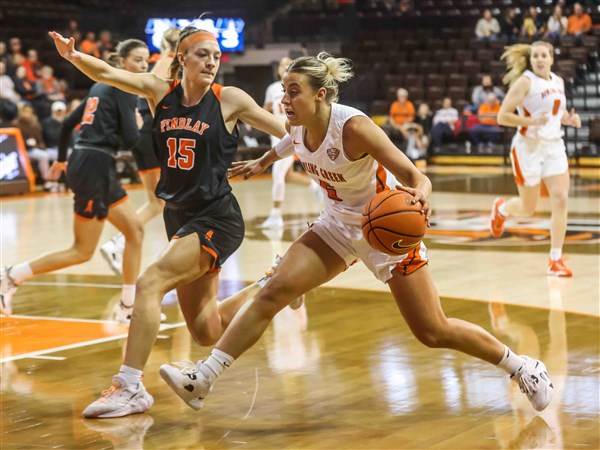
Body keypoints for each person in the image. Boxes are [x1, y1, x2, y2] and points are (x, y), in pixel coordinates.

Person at [159, 52, 554, 415]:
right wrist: (262, 161)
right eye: (284, 92)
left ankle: (522, 366)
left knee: (433, 331)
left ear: (322, 95)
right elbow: (288, 142)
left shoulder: (353, 127)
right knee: (272, 292)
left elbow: (416, 175)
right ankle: (203, 379)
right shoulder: (296, 124)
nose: (285, 101)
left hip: (384, 231)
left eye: (293, 93)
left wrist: (421, 195)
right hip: (336, 225)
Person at [45, 26, 288, 418]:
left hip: (217, 216)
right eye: (202, 54)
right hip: (179, 214)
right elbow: (108, 75)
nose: (211, 62)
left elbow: (290, 132)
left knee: (150, 282)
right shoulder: (161, 92)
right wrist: (74, 57)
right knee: (207, 330)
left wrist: (269, 159)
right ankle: (274, 284)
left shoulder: (230, 99)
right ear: (182, 59)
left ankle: (129, 387)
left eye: (216, 55)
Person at [0, 39, 150, 319]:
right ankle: (11, 276)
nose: (144, 66)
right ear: (122, 62)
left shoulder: (99, 85)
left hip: (87, 160)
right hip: (94, 164)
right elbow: (131, 139)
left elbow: (69, 123)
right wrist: (142, 125)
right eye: (138, 60)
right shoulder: (124, 86)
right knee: (83, 250)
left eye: (146, 61)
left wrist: (61, 158)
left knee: (133, 233)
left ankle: (128, 306)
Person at [490, 41, 581, 277]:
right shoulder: (525, 82)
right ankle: (502, 209)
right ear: (531, 60)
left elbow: (555, 114)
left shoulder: (558, 81)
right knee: (528, 209)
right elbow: (502, 116)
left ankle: (555, 259)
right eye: (536, 56)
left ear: (551, 58)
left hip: (553, 146)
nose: (540, 59)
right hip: (527, 148)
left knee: (560, 199)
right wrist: (531, 122)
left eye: (544, 55)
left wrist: (567, 120)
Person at [100, 27, 181, 275]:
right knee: (172, 197)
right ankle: (175, 254)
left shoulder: (160, 63)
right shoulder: (169, 62)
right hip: (151, 131)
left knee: (157, 202)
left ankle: (119, 242)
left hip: (145, 133)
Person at [261, 56, 321, 229]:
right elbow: (265, 110)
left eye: (287, 64)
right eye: (281, 64)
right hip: (275, 135)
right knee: (285, 176)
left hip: (291, 134)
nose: (283, 66)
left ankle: (276, 214)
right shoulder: (272, 88)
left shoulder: (299, 88)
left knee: (277, 175)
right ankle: (313, 186)